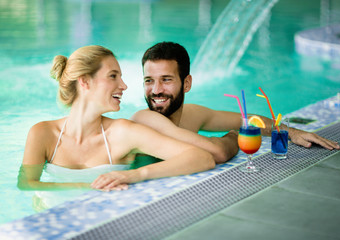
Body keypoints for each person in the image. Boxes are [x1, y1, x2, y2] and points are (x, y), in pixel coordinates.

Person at [17, 45, 216, 193]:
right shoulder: (43, 133)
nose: (123, 85)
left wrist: (133, 175)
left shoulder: (123, 133)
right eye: (113, 76)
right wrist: (89, 186)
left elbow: (202, 158)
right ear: (85, 81)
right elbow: (26, 183)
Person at [130, 41, 340, 167]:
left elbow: (246, 120)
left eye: (166, 80)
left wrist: (290, 132)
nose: (156, 90)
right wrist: (232, 136)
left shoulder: (191, 114)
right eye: (149, 80)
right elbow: (219, 153)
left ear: (186, 83)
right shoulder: (144, 120)